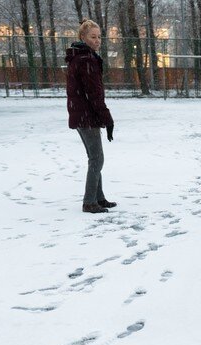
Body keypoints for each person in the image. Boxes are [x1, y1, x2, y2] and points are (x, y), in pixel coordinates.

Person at [66, 20, 117, 213]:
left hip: (80, 114)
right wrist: (108, 119)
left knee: (94, 158)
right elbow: (94, 95)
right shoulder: (86, 60)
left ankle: (98, 197)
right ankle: (89, 202)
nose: (97, 41)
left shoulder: (79, 57)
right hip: (86, 115)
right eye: (92, 37)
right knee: (97, 159)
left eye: (99, 37)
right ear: (83, 38)